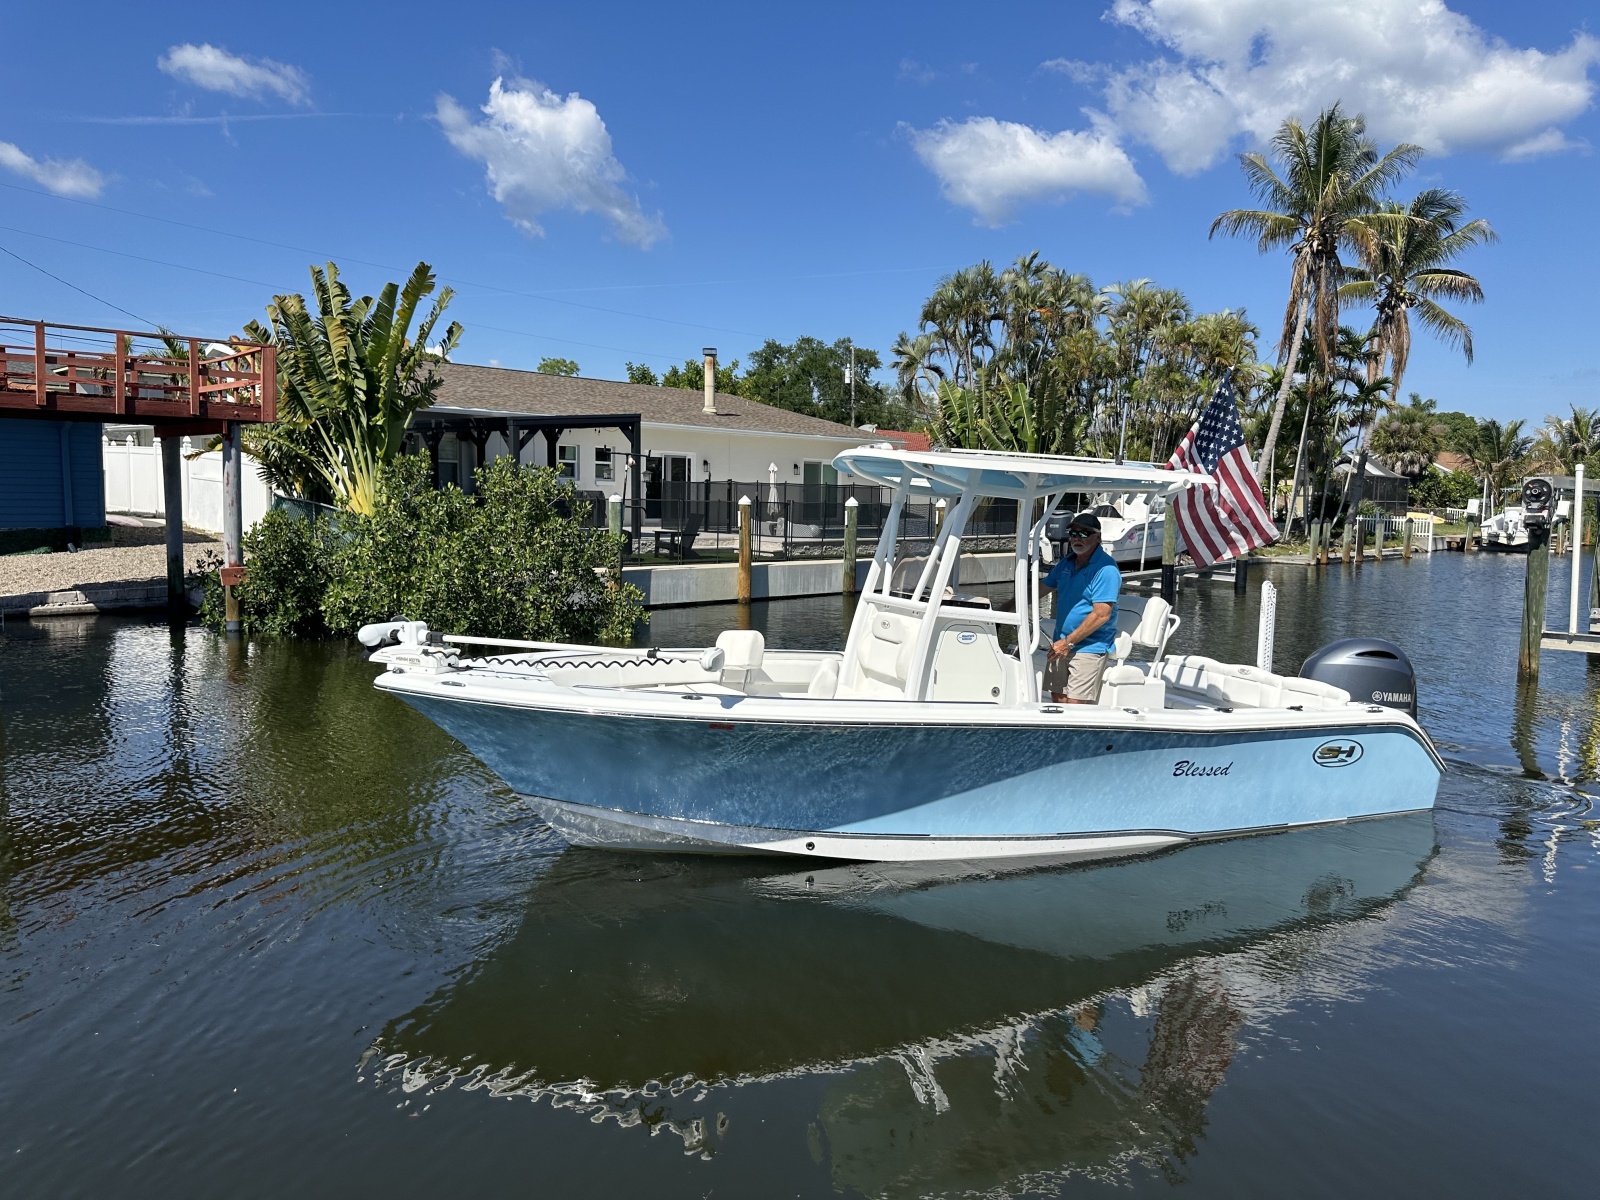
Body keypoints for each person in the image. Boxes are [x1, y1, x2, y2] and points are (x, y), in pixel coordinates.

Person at [1042, 511, 1121, 703]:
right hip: (1060, 642)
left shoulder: (1106, 569)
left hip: (1089, 647)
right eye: (1073, 534)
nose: (1077, 538)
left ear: (1098, 537)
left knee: (1075, 705)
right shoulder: (1066, 563)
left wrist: (1068, 643)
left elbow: (1102, 614)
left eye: (1084, 533)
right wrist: (1007, 607)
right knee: (1058, 699)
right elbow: (1039, 589)